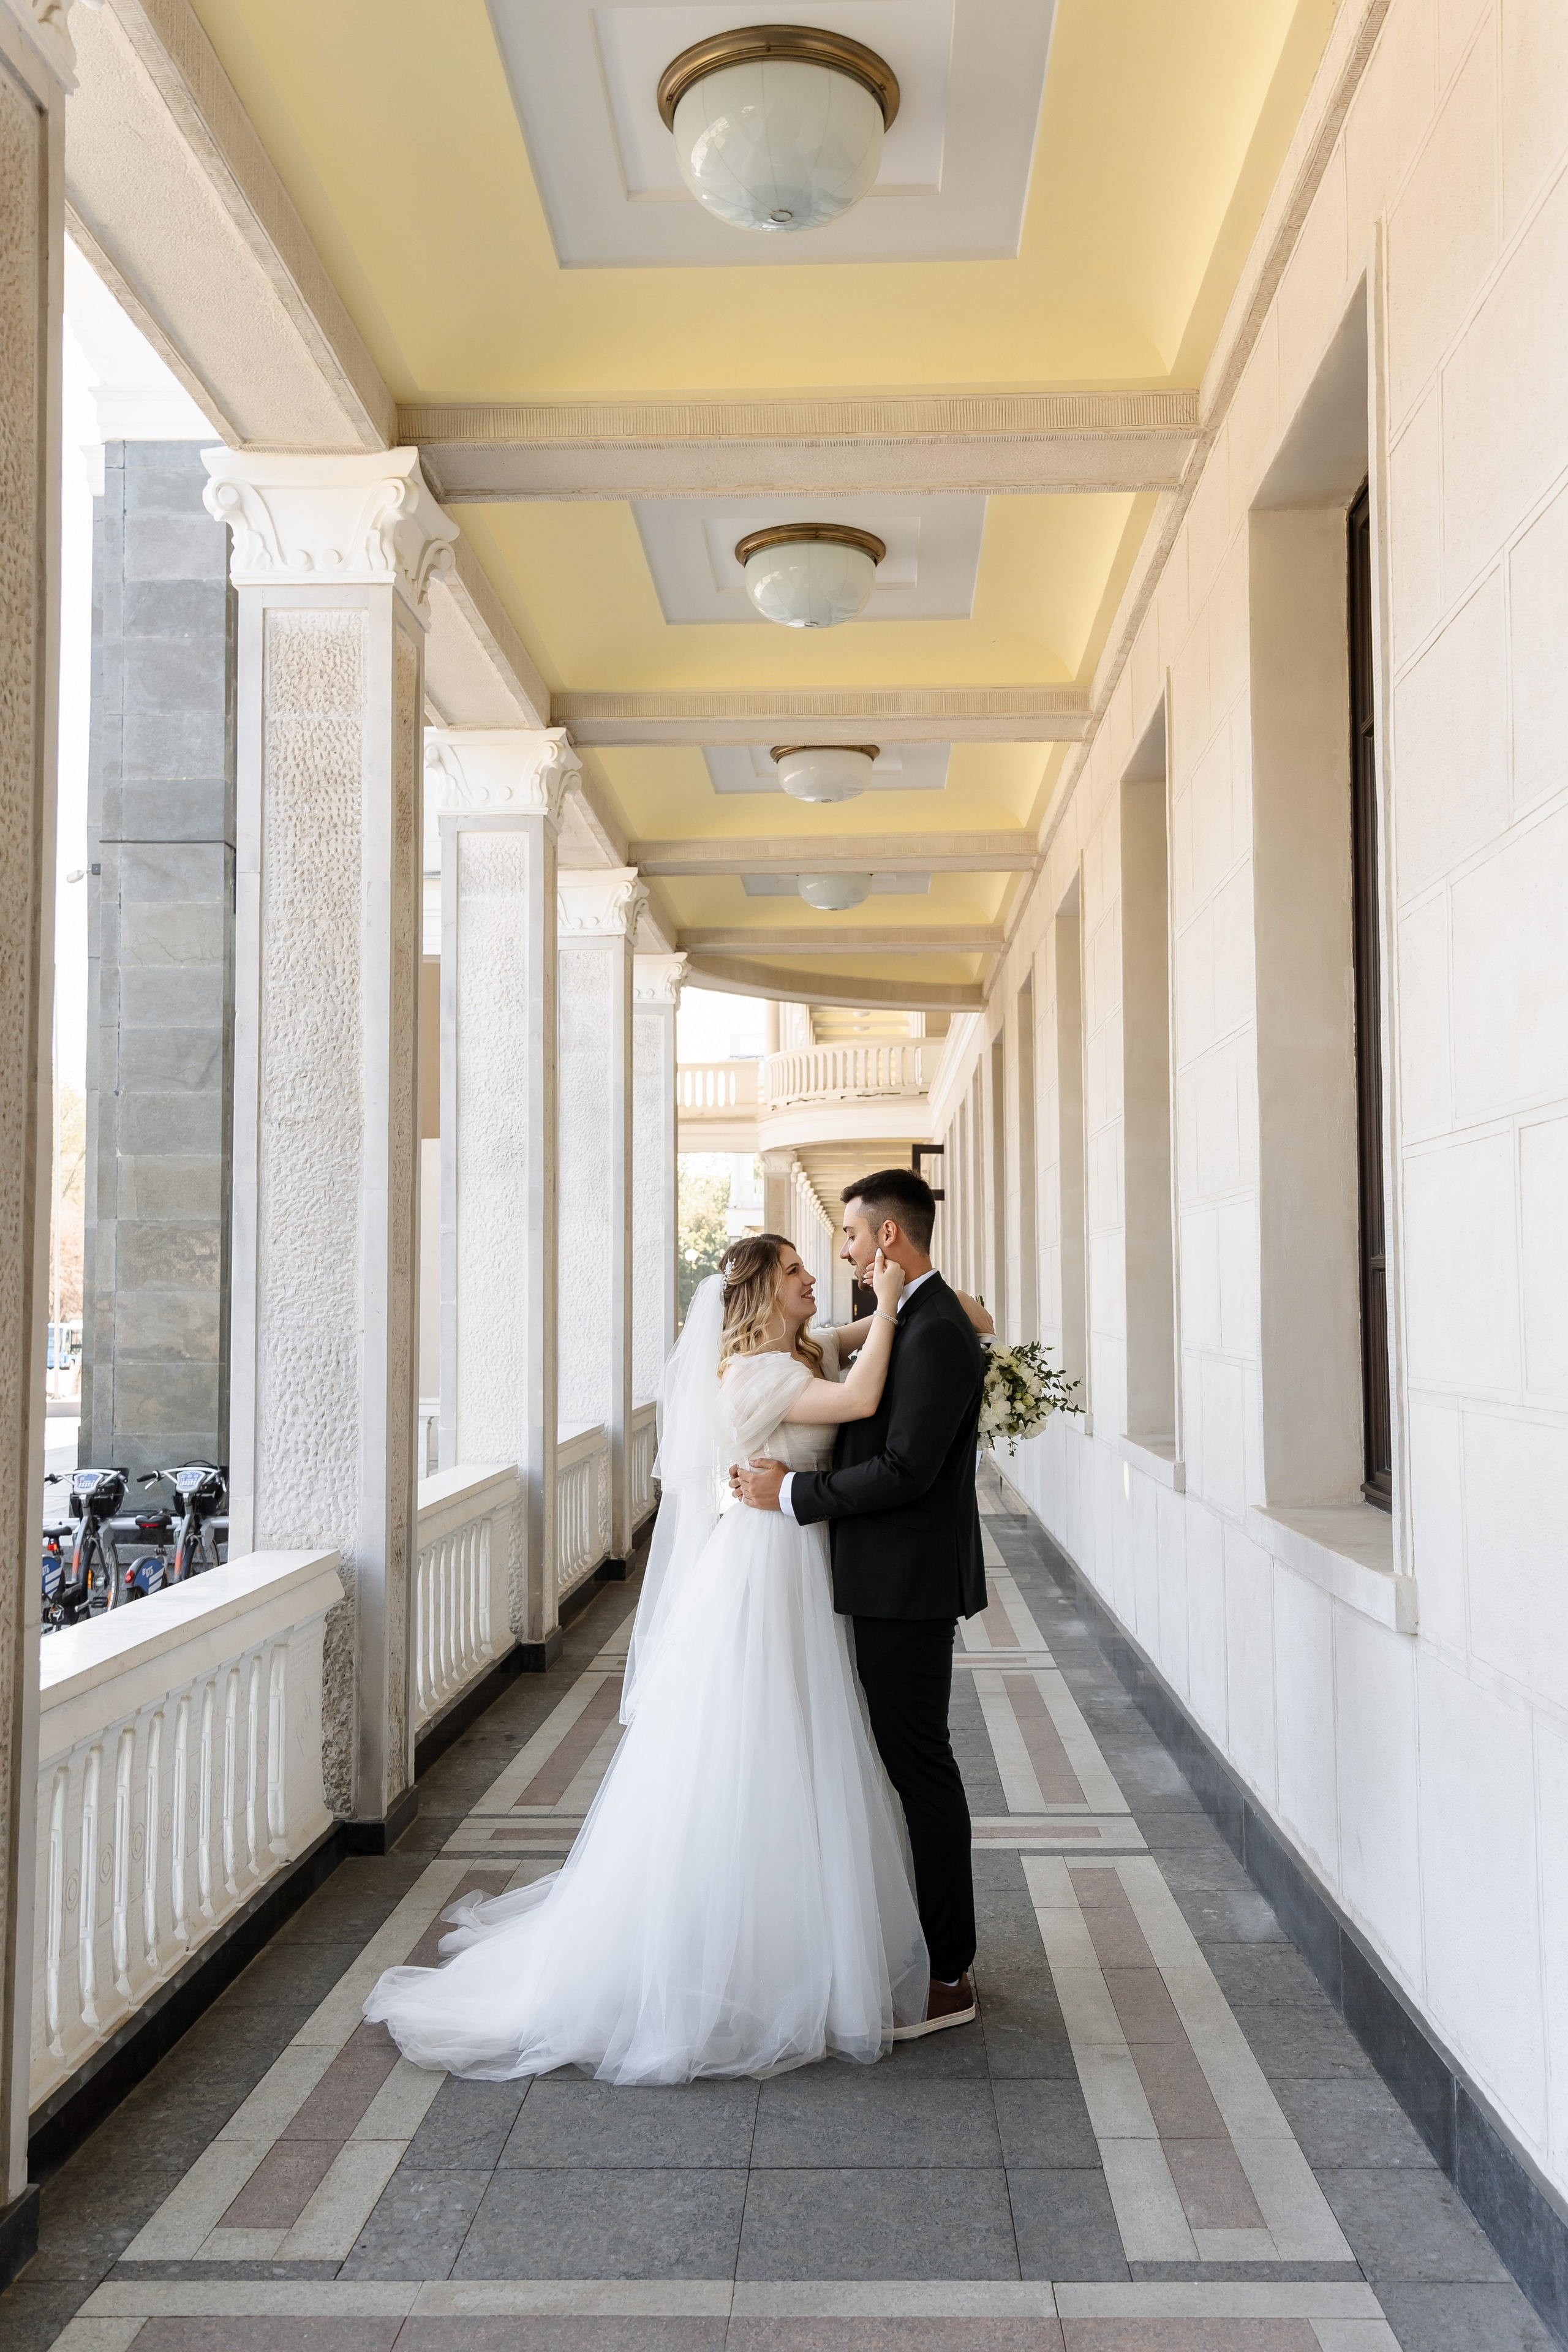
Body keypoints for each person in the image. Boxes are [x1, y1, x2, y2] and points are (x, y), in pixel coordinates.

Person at [363, 1234, 931, 2084]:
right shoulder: (758, 1375)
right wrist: (886, 1304)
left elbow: (848, 1345)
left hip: (789, 1558)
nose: (814, 1277)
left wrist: (920, 1298)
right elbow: (859, 1397)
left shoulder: (784, 1356)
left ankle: (779, 1932)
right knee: (763, 1743)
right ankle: (740, 1951)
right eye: (795, 1272)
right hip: (769, 1568)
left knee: (795, 1742)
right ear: (762, 1293)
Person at [732, 1167, 989, 2037]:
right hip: (871, 1579)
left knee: (919, 1769)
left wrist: (793, 1494)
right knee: (879, 1764)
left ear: (887, 1237)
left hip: (904, 1586)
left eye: (848, 1235)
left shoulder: (932, 1328)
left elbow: (907, 1468)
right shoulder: (915, 1315)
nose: (838, 1253)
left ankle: (949, 1974)